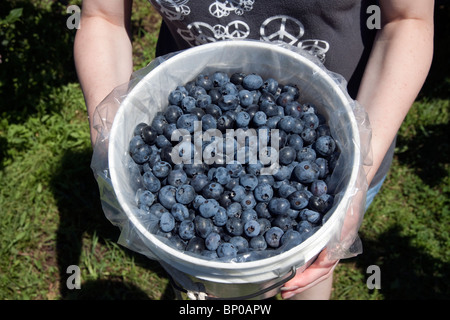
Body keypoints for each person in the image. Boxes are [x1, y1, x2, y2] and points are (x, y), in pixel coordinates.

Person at [74, 0, 434, 300]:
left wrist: (357, 180)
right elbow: (101, 18)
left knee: (312, 265)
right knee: (212, 284)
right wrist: (110, 144)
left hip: (357, 132)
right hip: (188, 88)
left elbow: (408, 20)